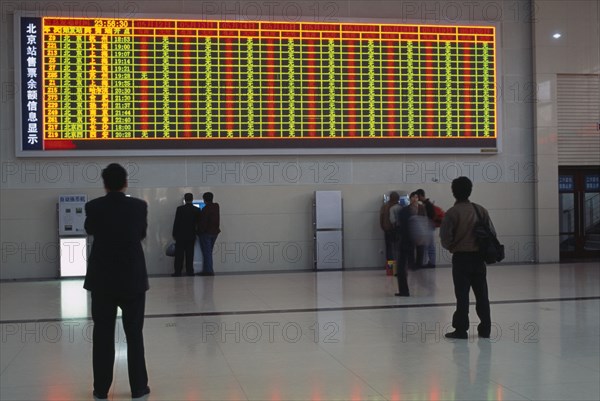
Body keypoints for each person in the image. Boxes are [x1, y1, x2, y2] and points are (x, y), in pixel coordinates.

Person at [83, 163, 150, 399]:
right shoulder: (139, 206)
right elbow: (140, 233)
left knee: (102, 335)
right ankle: (139, 388)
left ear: (104, 183)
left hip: (102, 280)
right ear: (125, 182)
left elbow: (90, 229)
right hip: (132, 278)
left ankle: (101, 389)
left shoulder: (93, 206)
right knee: (134, 334)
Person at [440, 176, 494, 339]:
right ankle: (485, 329)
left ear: (453, 192)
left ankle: (461, 329)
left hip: (461, 259)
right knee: (482, 294)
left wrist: (454, 246)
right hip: (479, 259)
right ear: (470, 190)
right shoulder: (480, 210)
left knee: (462, 296)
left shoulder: (451, 213)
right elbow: (492, 233)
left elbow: (445, 239)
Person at [394, 191, 425, 296]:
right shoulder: (406, 210)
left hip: (407, 241)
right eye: (413, 197)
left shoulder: (405, 211)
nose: (414, 199)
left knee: (404, 266)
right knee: (411, 265)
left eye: (416, 197)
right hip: (412, 241)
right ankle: (421, 284)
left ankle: (405, 290)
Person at [172, 192, 200, 277]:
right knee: (190, 254)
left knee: (179, 255)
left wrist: (174, 233)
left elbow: (176, 222)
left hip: (180, 235)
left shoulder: (180, 209)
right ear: (192, 199)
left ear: (184, 199)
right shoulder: (196, 210)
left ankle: (178, 272)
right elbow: (198, 223)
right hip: (191, 235)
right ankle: (190, 271)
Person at [197, 192, 220, 276]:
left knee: (207, 253)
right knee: (209, 252)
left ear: (204, 200)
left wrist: (199, 232)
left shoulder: (205, 209)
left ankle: (209, 271)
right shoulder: (216, 206)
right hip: (215, 232)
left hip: (206, 233)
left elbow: (203, 223)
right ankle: (207, 270)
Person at [416, 188, 437, 268]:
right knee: (429, 246)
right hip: (429, 226)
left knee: (429, 246)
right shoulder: (428, 204)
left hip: (428, 227)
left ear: (421, 196)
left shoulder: (427, 205)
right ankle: (430, 262)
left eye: (418, 196)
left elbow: (430, 216)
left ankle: (430, 262)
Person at [379, 191, 400, 263]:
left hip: (387, 230)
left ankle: (390, 265)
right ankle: (397, 264)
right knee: (397, 248)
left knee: (389, 247)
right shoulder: (398, 207)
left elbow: (381, 218)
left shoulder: (384, 206)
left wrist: (383, 227)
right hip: (396, 230)